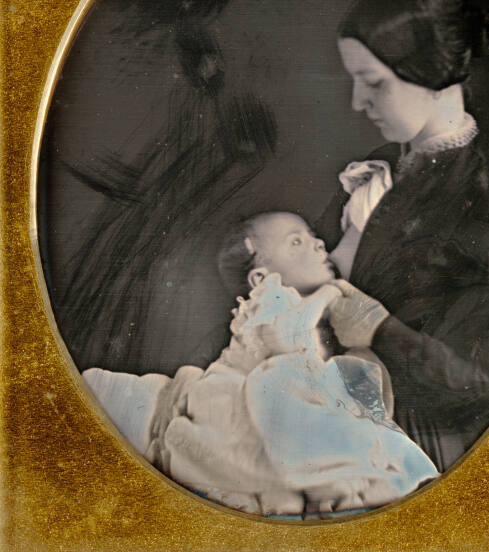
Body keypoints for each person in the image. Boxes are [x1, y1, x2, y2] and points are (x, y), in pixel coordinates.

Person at [316, 0, 489, 472]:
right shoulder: (382, 165)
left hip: (411, 446)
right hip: (330, 408)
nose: (357, 101)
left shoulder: (485, 210)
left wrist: (379, 330)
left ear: (433, 75)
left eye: (374, 83)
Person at [84, 211, 438, 518]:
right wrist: (329, 292)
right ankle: (334, 479)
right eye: (296, 242)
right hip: (239, 393)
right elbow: (285, 340)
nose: (318, 244)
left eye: (314, 236)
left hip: (283, 393)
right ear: (260, 277)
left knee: (345, 389)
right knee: (284, 384)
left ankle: (344, 478)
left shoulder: (311, 310)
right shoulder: (273, 298)